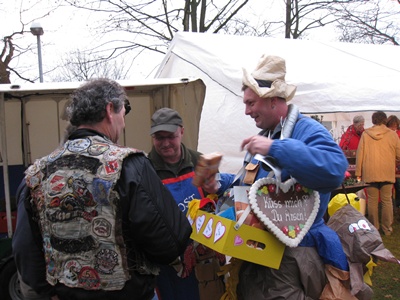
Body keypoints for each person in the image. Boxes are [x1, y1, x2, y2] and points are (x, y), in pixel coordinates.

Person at [12, 78, 192, 300]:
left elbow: (25, 251)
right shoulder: (129, 165)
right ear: (109, 110)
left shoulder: (36, 174)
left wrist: (50, 292)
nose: (123, 124)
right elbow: (169, 242)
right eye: (122, 115)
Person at [207, 55, 350, 299]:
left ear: (273, 100)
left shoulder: (305, 130)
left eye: (251, 103)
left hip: (293, 257)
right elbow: (254, 186)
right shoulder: (268, 135)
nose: (247, 111)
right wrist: (218, 182)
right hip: (259, 252)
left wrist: (276, 149)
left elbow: (335, 169)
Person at [148, 107, 225, 300]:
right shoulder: (146, 169)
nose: (165, 143)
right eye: (159, 138)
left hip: (204, 258)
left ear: (181, 131)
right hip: (168, 263)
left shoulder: (200, 162)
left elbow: (216, 205)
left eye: (171, 136)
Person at [356, 111, 400, 236]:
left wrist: (358, 173)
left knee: (372, 201)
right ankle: (387, 229)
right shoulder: (392, 135)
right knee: (387, 201)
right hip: (387, 172)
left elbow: (360, 155)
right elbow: (399, 154)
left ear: (373, 120)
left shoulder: (366, 134)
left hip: (370, 173)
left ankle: (374, 228)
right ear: (385, 120)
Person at [387, 115, 400, 218]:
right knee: (390, 191)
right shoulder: (386, 135)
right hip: (389, 166)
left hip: (397, 166)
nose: (394, 128)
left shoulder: (397, 134)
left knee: (398, 188)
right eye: (392, 126)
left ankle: (397, 208)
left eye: (395, 126)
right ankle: (393, 210)